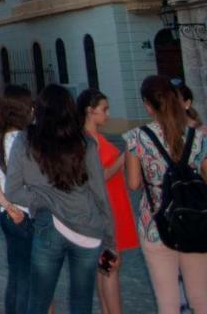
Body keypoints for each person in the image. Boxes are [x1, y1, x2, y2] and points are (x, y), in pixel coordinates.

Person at [4, 84, 113, 314]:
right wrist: (110, 239)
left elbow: (12, 190)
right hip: (88, 227)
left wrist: (41, 198)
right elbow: (99, 192)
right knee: (81, 302)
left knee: (39, 302)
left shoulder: (26, 141)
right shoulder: (84, 141)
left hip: (49, 226)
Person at [123, 74, 207, 314]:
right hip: (195, 220)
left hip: (156, 223)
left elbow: (133, 183)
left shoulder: (137, 138)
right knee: (201, 298)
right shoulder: (197, 136)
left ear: (147, 105)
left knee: (167, 301)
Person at [76, 88, 137, 314]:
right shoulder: (90, 140)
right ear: (90, 111)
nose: (108, 114)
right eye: (104, 109)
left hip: (110, 204)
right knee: (111, 266)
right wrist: (124, 156)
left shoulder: (92, 137)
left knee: (104, 267)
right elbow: (99, 176)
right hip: (107, 207)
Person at [0, 84, 34, 314]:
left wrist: (8, 207)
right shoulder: (29, 140)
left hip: (8, 215)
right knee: (29, 277)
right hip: (29, 215)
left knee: (16, 273)